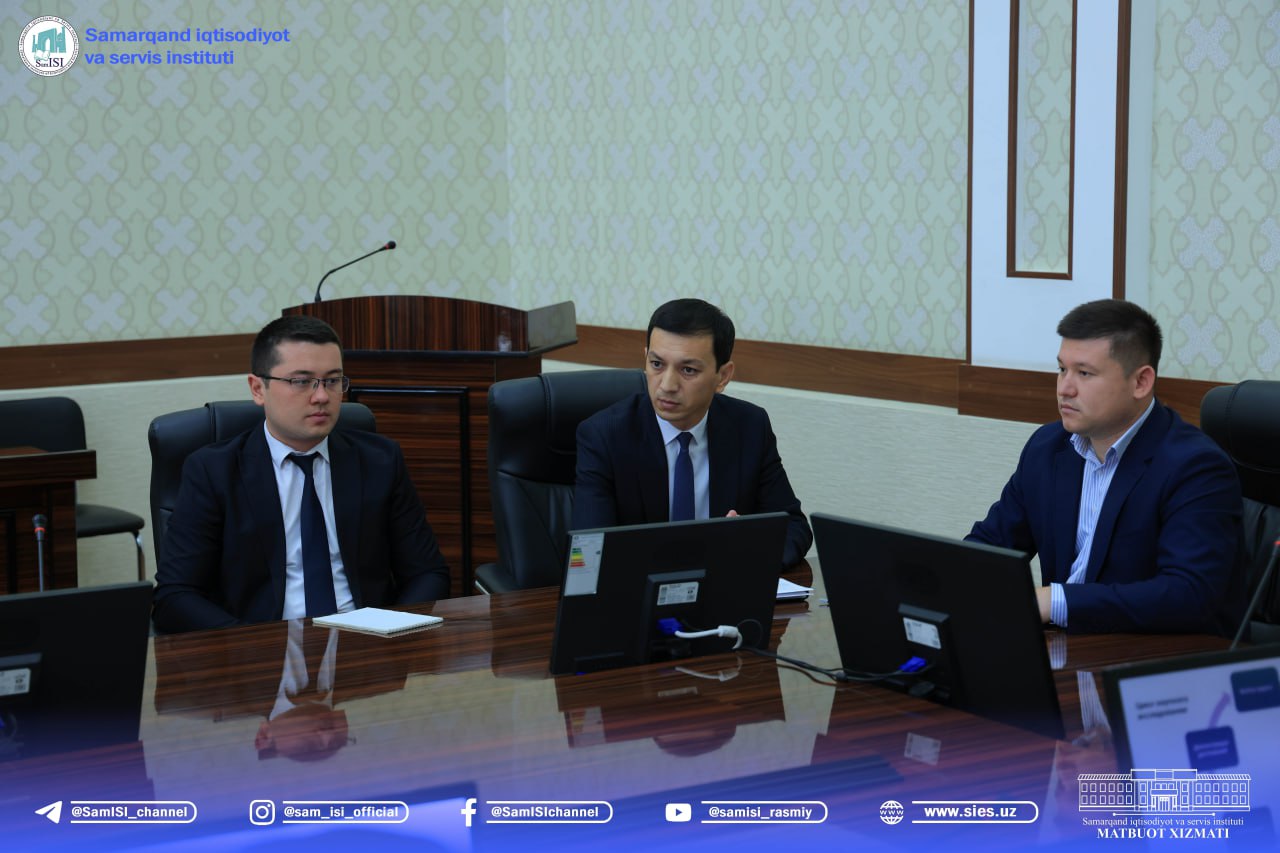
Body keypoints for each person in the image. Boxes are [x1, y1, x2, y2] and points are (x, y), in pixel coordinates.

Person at [153, 315, 450, 633]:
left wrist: (391, 632)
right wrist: (252, 644)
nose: (321, 396)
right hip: (261, 645)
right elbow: (175, 596)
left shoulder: (379, 461)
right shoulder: (213, 471)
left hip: (368, 641)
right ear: (258, 388)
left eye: (332, 381)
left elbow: (428, 573)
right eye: (301, 381)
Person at [967, 299, 1246, 634]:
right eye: (1062, 369)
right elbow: (992, 545)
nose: (1065, 388)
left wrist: (1055, 601)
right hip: (1069, 648)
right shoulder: (1048, 448)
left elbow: (1187, 595)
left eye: (1084, 373)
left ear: (1141, 382)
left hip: (1156, 655)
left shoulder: (1195, 467)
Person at [573, 298, 813, 568]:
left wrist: (749, 547)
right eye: (657, 364)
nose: (667, 385)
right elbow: (589, 553)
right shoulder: (605, 436)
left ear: (723, 376)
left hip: (722, 589)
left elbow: (794, 526)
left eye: (688, 370)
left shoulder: (749, 426)